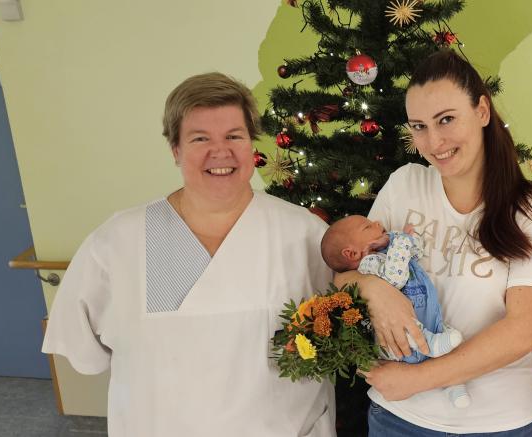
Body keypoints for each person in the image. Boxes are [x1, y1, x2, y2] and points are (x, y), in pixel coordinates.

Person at [41, 72, 335, 436]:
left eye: (234, 136)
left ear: (251, 145)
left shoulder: (303, 233)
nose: (220, 151)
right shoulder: (118, 241)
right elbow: (83, 353)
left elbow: (343, 331)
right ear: (175, 150)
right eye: (200, 138)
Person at [337, 50, 532, 436]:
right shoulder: (405, 184)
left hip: (501, 424)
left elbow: (525, 330)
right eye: (419, 126)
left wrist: (417, 379)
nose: (434, 141)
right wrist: (371, 288)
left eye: (446, 119)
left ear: (482, 112)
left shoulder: (531, 211)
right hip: (400, 420)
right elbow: (342, 278)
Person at [320, 215, 470, 407]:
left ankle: (453, 384)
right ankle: (429, 344)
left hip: (424, 305)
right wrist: (399, 239)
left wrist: (405, 239)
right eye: (368, 227)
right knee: (410, 327)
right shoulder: (369, 264)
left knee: (436, 324)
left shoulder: (387, 250)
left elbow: (416, 252)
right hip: (405, 329)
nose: (378, 223)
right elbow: (395, 277)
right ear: (352, 254)